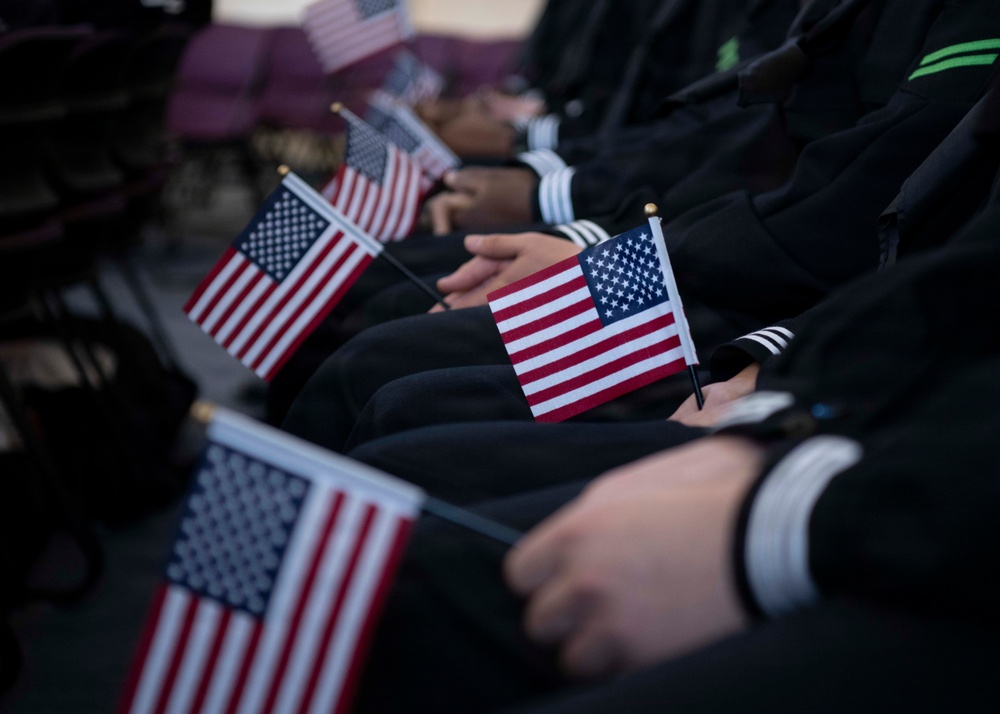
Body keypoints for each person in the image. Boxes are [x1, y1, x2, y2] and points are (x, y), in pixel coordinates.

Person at [348, 204, 1000, 713]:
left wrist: (792, 516)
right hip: (878, 413)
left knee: (417, 563)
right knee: (394, 425)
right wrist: (788, 390)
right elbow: (950, 271)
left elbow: (842, 216)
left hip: (936, 519)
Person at [282, 0, 1000, 452]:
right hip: (735, 261)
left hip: (799, 307)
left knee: (392, 381)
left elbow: (847, 199)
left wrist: (576, 218)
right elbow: (723, 137)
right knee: (380, 339)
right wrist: (555, 191)